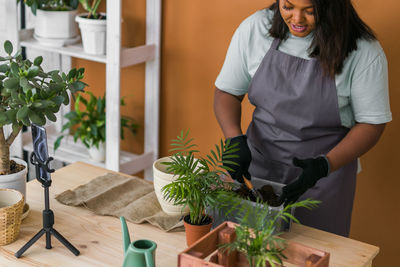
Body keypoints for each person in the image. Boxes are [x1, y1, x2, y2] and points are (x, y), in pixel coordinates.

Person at [214, 0, 391, 237]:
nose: (297, 19)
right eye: (288, 6)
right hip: (257, 170)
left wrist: (323, 166)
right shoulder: (256, 28)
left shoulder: (363, 51)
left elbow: (372, 123)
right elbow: (227, 93)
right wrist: (235, 139)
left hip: (323, 180)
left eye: (310, 11)